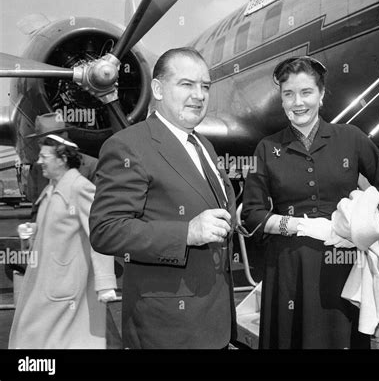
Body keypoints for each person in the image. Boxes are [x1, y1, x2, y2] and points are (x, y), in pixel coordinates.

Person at [241, 56, 379, 349]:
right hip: (289, 270)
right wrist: (302, 226)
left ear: (321, 94)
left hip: (344, 267)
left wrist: (365, 224)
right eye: (288, 94)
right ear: (280, 99)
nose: (297, 102)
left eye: (306, 92)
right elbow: (252, 215)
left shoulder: (351, 138)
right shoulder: (266, 148)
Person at [89, 47, 237, 349]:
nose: (199, 95)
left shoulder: (203, 145)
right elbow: (105, 230)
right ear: (157, 88)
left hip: (213, 321)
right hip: (167, 329)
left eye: (205, 86)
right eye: (186, 84)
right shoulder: (128, 146)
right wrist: (186, 233)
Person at [9, 134, 117, 349]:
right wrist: (31, 233)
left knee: (52, 339)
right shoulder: (50, 190)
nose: (39, 161)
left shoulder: (79, 188)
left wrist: (105, 283)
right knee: (35, 337)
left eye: (44, 156)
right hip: (44, 283)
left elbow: (99, 233)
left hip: (64, 287)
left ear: (62, 159)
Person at [25, 112, 98, 220]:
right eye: (41, 142)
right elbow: (36, 211)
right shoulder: (39, 168)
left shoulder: (91, 168)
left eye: (47, 142)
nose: (42, 147)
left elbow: (96, 220)